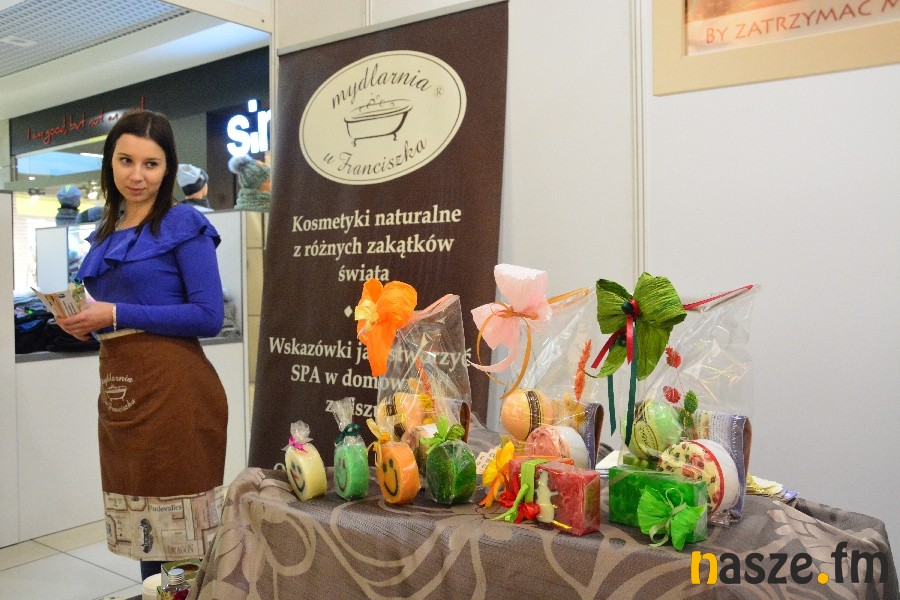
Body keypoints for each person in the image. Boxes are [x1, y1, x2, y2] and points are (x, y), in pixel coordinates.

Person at [55, 109, 228, 582]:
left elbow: (208, 316)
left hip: (177, 394)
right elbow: (118, 314)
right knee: (147, 530)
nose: (137, 175)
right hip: (121, 394)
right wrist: (86, 325)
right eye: (126, 161)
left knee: (180, 540)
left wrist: (114, 313)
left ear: (167, 168)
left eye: (151, 164)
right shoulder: (105, 232)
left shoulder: (183, 222)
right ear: (109, 163)